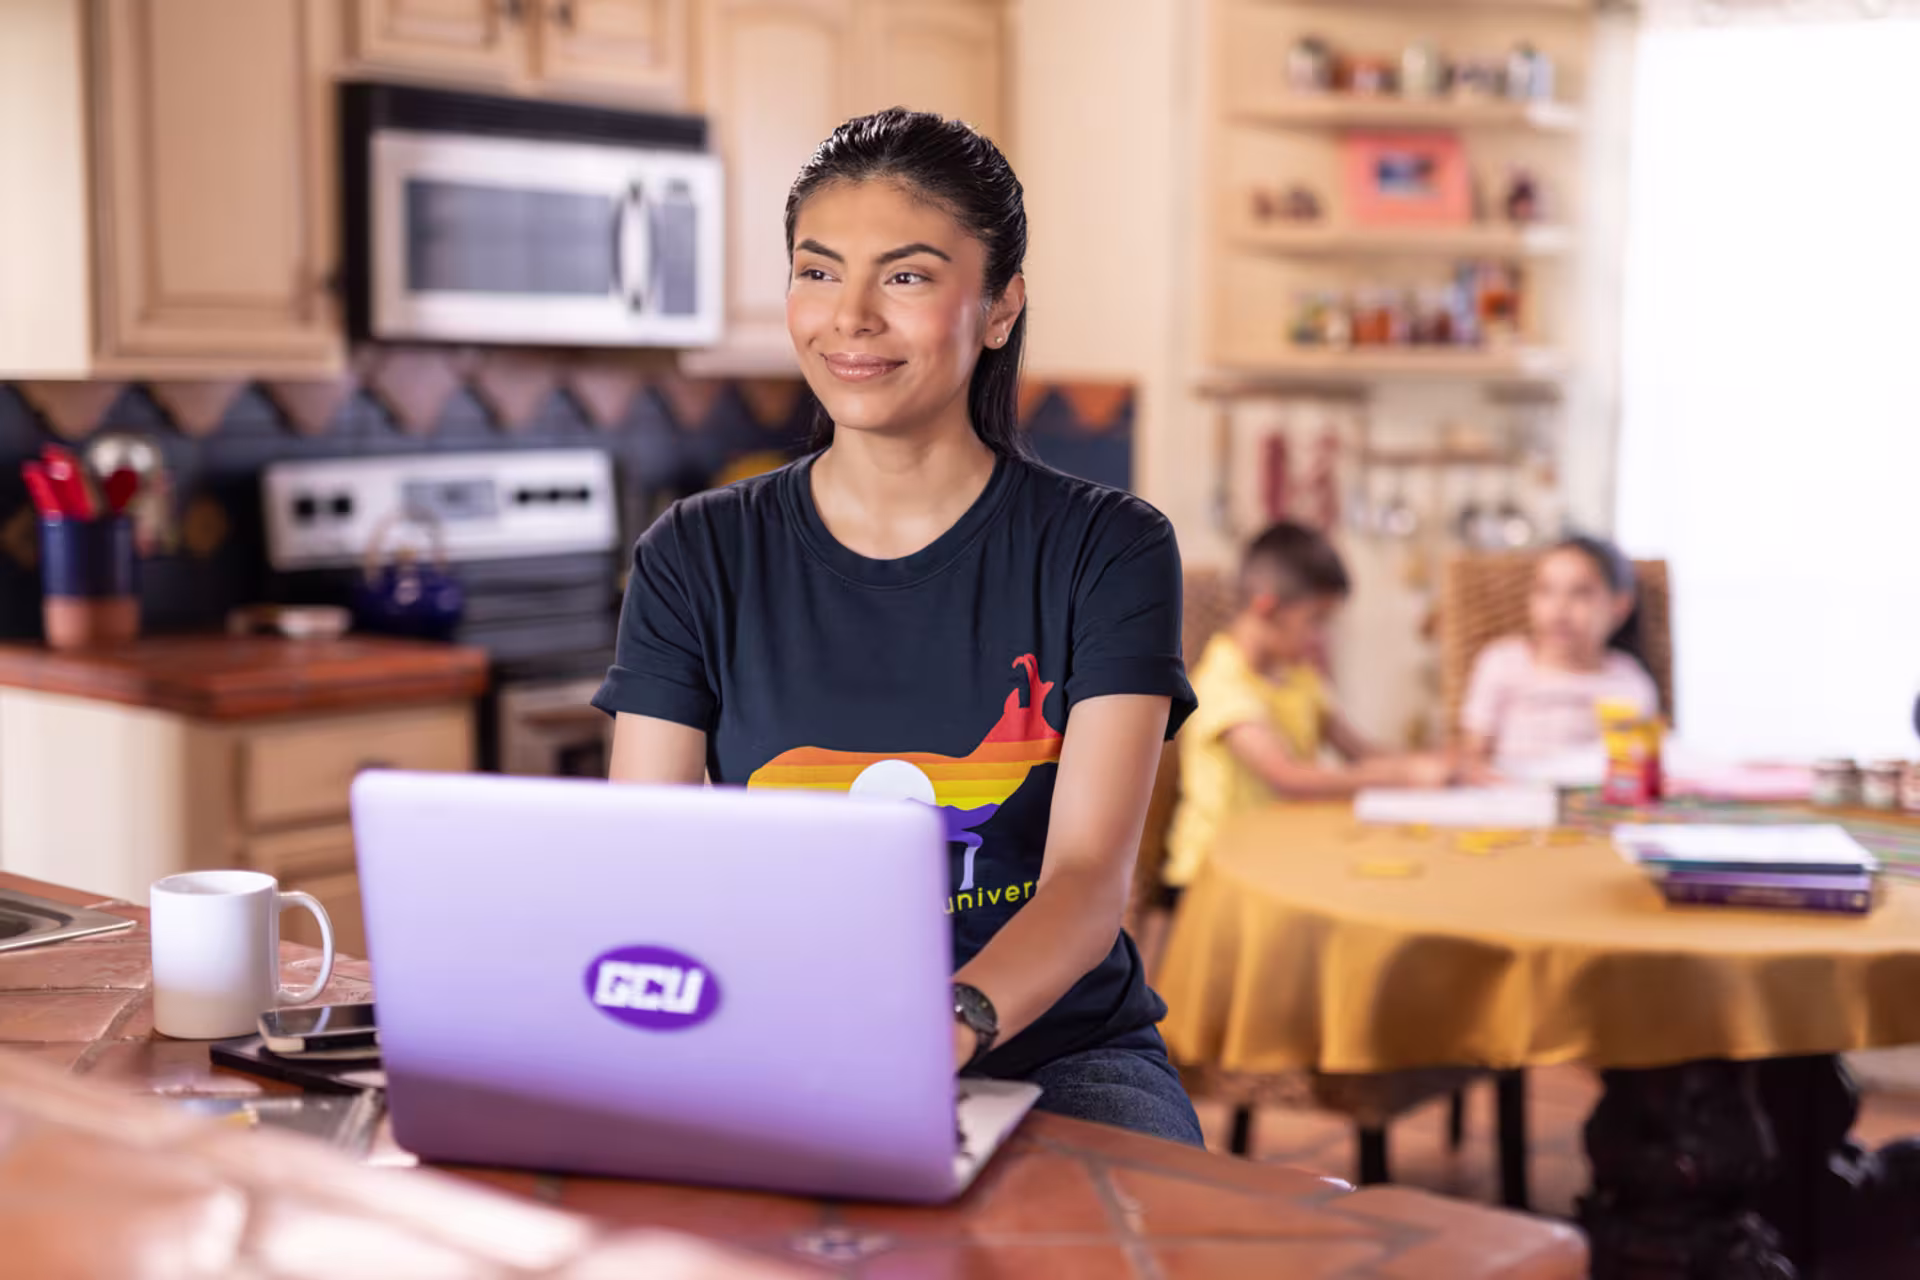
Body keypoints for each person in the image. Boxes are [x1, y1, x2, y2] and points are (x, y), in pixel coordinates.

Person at [594, 108, 1204, 1145]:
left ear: (1002, 307)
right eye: (819, 272)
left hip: (1055, 1053)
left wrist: (946, 1021)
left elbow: (1086, 878)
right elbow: (649, 858)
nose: (851, 318)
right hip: (771, 1038)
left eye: (908, 276)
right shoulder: (694, 553)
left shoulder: (1110, 547)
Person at [1162, 521, 1462, 892]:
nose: (1322, 638)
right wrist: (1401, 778)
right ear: (1266, 607)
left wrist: (1439, 765)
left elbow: (1360, 752)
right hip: (1212, 877)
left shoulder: (1298, 675)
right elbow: (1289, 778)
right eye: (1315, 622)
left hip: (1281, 855)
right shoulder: (1224, 682)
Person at [1460, 534, 1660, 767]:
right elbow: (1472, 756)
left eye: (1581, 593)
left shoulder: (1628, 680)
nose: (1559, 608)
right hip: (1511, 792)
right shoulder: (1503, 662)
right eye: (1545, 590)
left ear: (1620, 606)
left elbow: (1637, 765)